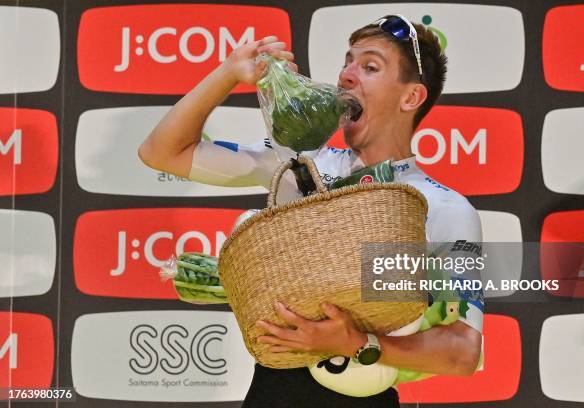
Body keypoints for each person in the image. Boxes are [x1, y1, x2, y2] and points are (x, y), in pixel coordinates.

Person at [139, 14, 483, 408]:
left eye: (369, 66)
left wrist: (358, 343)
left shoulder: (443, 208)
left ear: (411, 97)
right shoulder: (300, 164)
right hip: (270, 393)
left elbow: (462, 351)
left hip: (361, 395)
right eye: (347, 62)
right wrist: (229, 73)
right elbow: (161, 152)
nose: (347, 76)